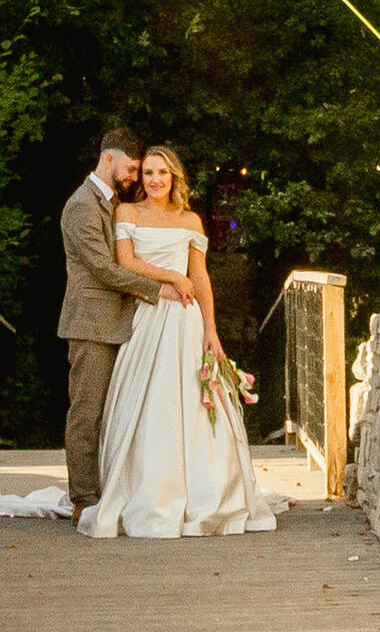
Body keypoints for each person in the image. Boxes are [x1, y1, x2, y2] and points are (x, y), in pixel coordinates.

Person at [75, 145, 275, 539]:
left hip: (186, 319)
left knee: (191, 402)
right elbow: (125, 262)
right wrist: (170, 278)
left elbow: (199, 277)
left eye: (161, 173)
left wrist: (211, 329)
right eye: (147, 173)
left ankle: (199, 489)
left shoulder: (190, 221)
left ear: (174, 178)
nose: (154, 180)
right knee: (149, 401)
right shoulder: (127, 213)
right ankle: (145, 488)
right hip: (149, 315)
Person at [57, 131, 177, 515]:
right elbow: (104, 270)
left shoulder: (111, 203)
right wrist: (159, 289)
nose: (132, 177)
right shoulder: (81, 206)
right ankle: (84, 500)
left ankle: (114, 490)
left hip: (121, 323)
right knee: (86, 415)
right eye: (129, 169)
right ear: (108, 159)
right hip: (92, 325)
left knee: (118, 414)